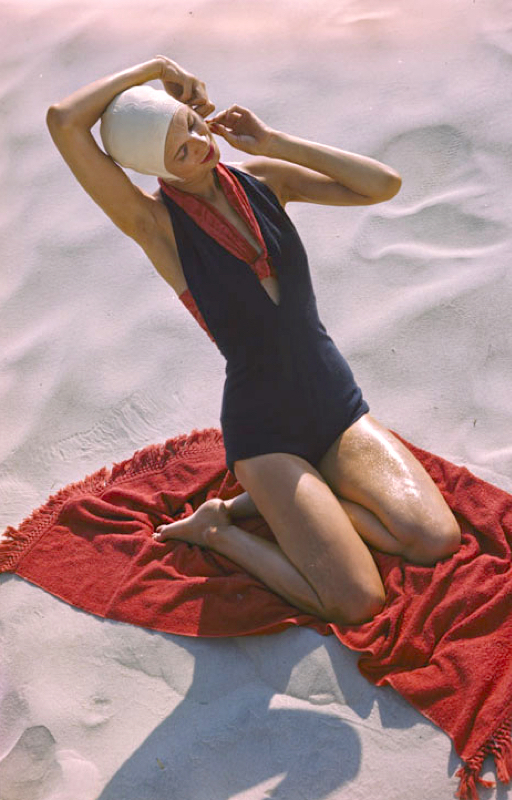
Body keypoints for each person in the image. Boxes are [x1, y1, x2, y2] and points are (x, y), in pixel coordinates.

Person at [46, 55, 461, 626]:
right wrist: (153, 67)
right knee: (358, 602)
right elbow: (64, 121)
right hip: (266, 433)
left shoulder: (264, 179)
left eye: (191, 127)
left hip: (336, 405)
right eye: (179, 151)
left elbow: (381, 185)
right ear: (155, 169)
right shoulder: (158, 228)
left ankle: (274, 505)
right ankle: (222, 527)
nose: (199, 146)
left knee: (434, 539)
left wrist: (274, 140)